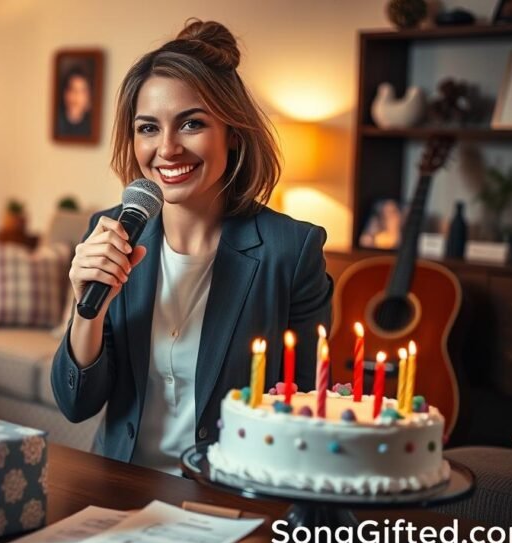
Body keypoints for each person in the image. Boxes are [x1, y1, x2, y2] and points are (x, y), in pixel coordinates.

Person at [50, 20, 332, 474]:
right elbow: (76, 404)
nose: (167, 149)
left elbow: (306, 410)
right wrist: (89, 309)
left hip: (233, 493)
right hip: (121, 487)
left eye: (192, 124)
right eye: (148, 128)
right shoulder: (108, 234)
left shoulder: (291, 250)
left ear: (233, 133)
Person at [56, 66, 93, 137]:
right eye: (72, 89)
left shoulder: (91, 124)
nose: (76, 96)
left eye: (81, 91)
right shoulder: (57, 121)